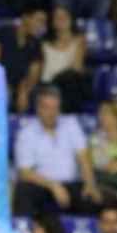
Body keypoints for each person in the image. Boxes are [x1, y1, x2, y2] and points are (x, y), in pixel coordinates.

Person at [14, 86, 106, 216]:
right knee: (23, 191)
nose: (52, 113)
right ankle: (30, 231)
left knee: (95, 197)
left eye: (55, 108)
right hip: (43, 185)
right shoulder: (27, 133)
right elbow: (25, 172)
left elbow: (83, 157)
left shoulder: (71, 124)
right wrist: (53, 186)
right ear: (39, 109)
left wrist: (90, 183)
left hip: (72, 184)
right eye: (47, 108)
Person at [0, 5, 46, 113]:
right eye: (39, 20)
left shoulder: (36, 44)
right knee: (4, 93)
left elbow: (34, 75)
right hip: (0, 82)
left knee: (33, 95)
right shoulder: (2, 34)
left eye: (44, 22)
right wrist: (3, 84)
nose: (42, 26)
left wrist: (24, 88)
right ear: (26, 18)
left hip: (21, 86)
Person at [39, 6, 88, 113]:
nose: (61, 20)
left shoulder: (79, 40)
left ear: (71, 19)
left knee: (71, 82)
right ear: (52, 21)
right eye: (57, 17)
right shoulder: (43, 43)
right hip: (47, 83)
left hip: (69, 81)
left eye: (64, 16)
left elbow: (77, 67)